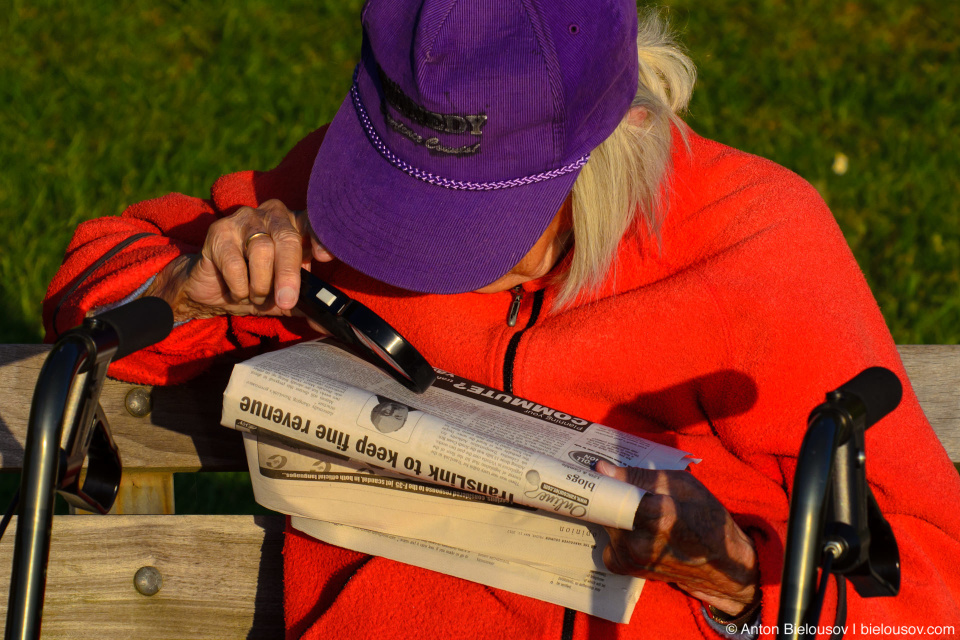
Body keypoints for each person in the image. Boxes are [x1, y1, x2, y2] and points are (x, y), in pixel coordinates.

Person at [42, 1, 960, 639]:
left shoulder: (756, 241)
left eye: (478, 220)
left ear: (612, 142)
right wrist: (196, 285)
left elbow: (937, 593)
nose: (419, 256)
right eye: (403, 204)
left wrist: (733, 578)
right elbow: (92, 288)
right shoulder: (344, 196)